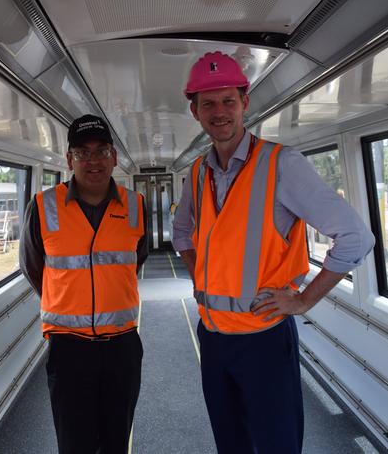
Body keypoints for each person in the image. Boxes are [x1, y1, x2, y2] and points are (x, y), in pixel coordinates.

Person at [173, 51, 375, 454]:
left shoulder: (283, 164)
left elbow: (355, 237)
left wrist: (303, 300)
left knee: (276, 445)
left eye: (228, 100)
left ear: (244, 103)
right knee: (231, 444)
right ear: (194, 111)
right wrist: (202, 279)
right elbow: (182, 234)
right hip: (212, 338)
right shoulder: (198, 172)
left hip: (262, 339)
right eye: (208, 103)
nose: (220, 112)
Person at [20, 114, 148, 454]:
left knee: (115, 441)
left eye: (102, 151)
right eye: (83, 153)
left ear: (115, 157)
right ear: (69, 159)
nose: (93, 161)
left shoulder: (136, 206)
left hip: (122, 347)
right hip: (69, 349)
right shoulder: (43, 206)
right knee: (74, 444)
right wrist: (68, 298)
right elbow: (34, 267)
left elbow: (135, 261)